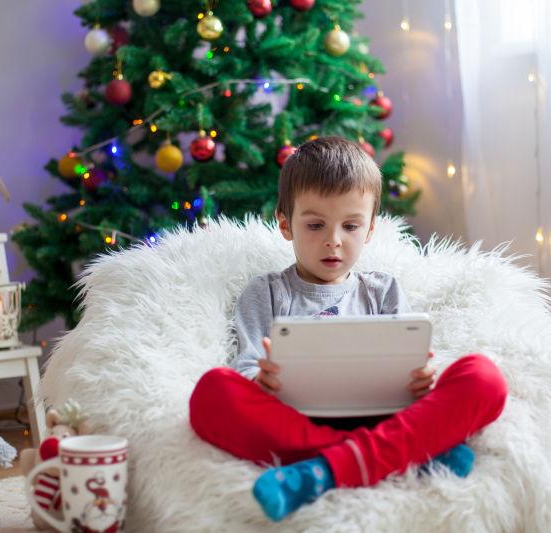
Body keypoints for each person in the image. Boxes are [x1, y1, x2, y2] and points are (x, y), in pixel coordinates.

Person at [189, 136, 507, 521]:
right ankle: (403, 456)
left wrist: (423, 377)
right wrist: (261, 380)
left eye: (351, 226)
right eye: (316, 224)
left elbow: (418, 360)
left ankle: (321, 470)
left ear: (371, 229)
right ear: (286, 225)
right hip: (295, 421)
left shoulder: (384, 291)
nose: (333, 241)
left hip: (385, 416)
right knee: (211, 393)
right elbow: (245, 367)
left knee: (485, 378)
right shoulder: (266, 292)